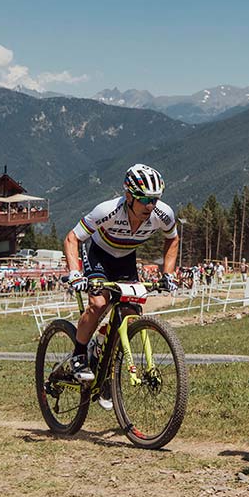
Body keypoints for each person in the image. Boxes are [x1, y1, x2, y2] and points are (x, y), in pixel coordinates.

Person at [62, 164, 179, 408]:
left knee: (131, 313)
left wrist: (167, 273)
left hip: (126, 258)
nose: (150, 205)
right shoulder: (107, 211)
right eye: (145, 199)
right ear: (128, 196)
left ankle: (105, 367)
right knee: (99, 303)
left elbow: (173, 238)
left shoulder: (162, 213)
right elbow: (72, 238)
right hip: (98, 254)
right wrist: (75, 274)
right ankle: (79, 355)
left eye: (155, 199)